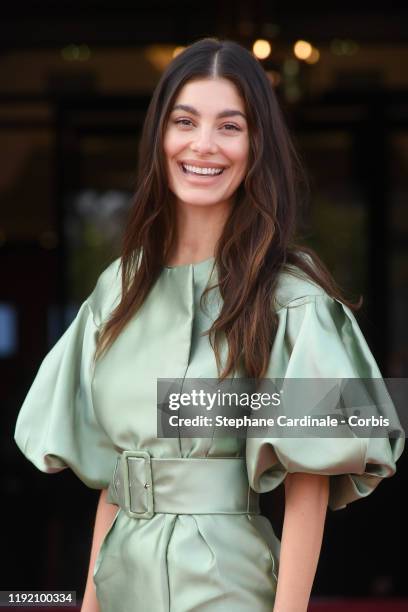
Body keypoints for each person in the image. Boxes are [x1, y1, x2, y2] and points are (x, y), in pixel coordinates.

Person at [14, 37, 404, 612]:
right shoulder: (116, 291)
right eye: (185, 120)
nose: (203, 144)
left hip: (227, 587)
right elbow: (117, 481)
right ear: (160, 137)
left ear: (255, 145)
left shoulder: (290, 300)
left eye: (230, 126)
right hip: (124, 583)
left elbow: (307, 487)